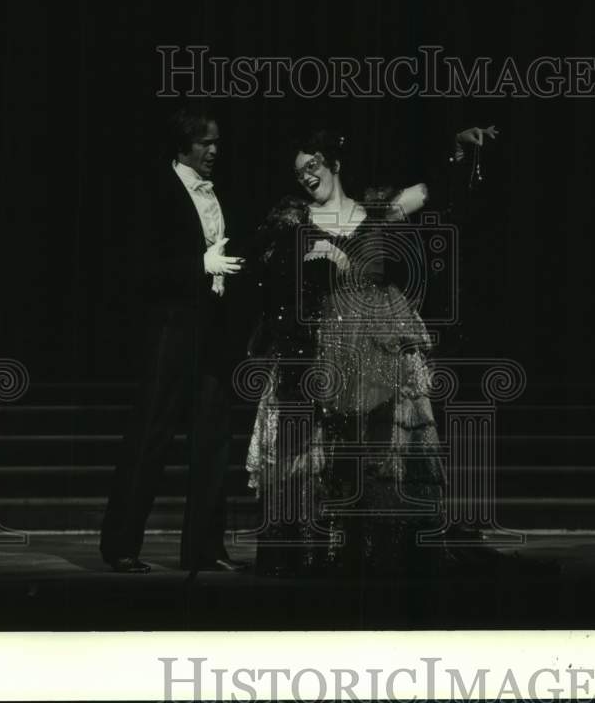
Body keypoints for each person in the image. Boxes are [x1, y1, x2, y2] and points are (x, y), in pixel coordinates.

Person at [243, 124, 497, 578]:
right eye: (299, 170)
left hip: (378, 345)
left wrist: (457, 150)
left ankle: (383, 552)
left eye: (313, 165)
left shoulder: (377, 211)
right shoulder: (293, 221)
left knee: (381, 454)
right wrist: (309, 255)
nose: (306, 175)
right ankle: (318, 554)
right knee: (321, 455)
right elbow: (266, 279)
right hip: (323, 350)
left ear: (335, 164)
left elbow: (436, 192)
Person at [100, 104, 247, 573]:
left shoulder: (216, 192)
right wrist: (197, 267)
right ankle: (121, 544)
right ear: (183, 144)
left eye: (217, 141)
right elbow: (136, 268)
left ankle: (204, 546)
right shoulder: (155, 190)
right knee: (151, 436)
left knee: (213, 440)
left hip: (213, 330)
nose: (214, 150)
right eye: (206, 142)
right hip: (170, 330)